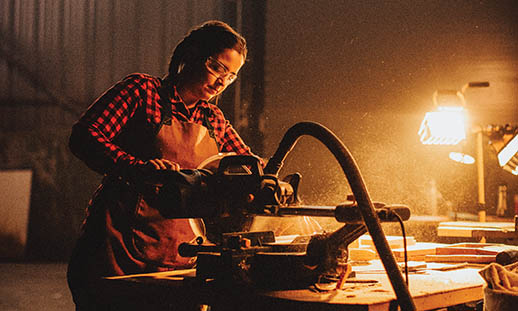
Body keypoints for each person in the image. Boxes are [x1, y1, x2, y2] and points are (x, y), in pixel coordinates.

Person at [67, 20, 260, 310]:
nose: (222, 82)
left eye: (231, 76)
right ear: (192, 55)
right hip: (115, 252)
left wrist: (267, 181)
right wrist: (137, 168)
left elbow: (249, 166)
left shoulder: (213, 119)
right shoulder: (143, 91)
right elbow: (85, 136)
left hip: (180, 255)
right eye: (218, 68)